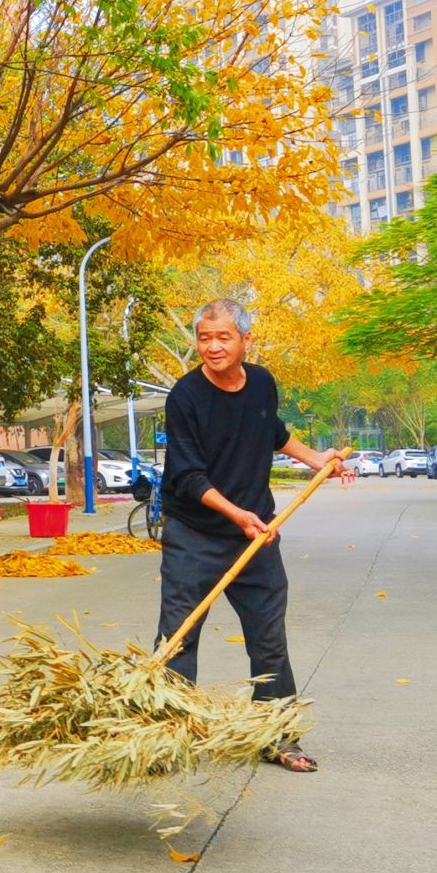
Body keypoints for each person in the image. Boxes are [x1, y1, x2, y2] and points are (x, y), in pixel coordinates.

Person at [158, 299, 338, 773]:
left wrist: (316, 458)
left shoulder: (261, 384)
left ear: (245, 341)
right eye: (204, 337)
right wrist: (237, 514)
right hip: (195, 535)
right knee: (178, 638)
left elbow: (273, 432)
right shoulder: (185, 397)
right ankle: (167, 738)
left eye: (223, 337)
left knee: (268, 637)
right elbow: (188, 476)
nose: (212, 346)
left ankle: (278, 737)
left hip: (255, 536)